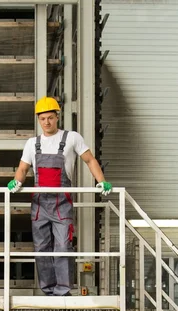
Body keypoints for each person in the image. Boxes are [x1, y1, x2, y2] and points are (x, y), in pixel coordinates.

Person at [7, 97, 112, 296]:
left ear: (57, 117)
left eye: (50, 118)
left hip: (62, 202)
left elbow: (90, 160)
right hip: (40, 204)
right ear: (38, 120)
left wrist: (101, 181)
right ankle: (47, 290)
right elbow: (22, 168)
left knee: (63, 245)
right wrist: (17, 181)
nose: (46, 122)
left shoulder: (71, 138)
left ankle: (63, 290)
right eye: (43, 119)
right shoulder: (32, 143)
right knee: (42, 248)